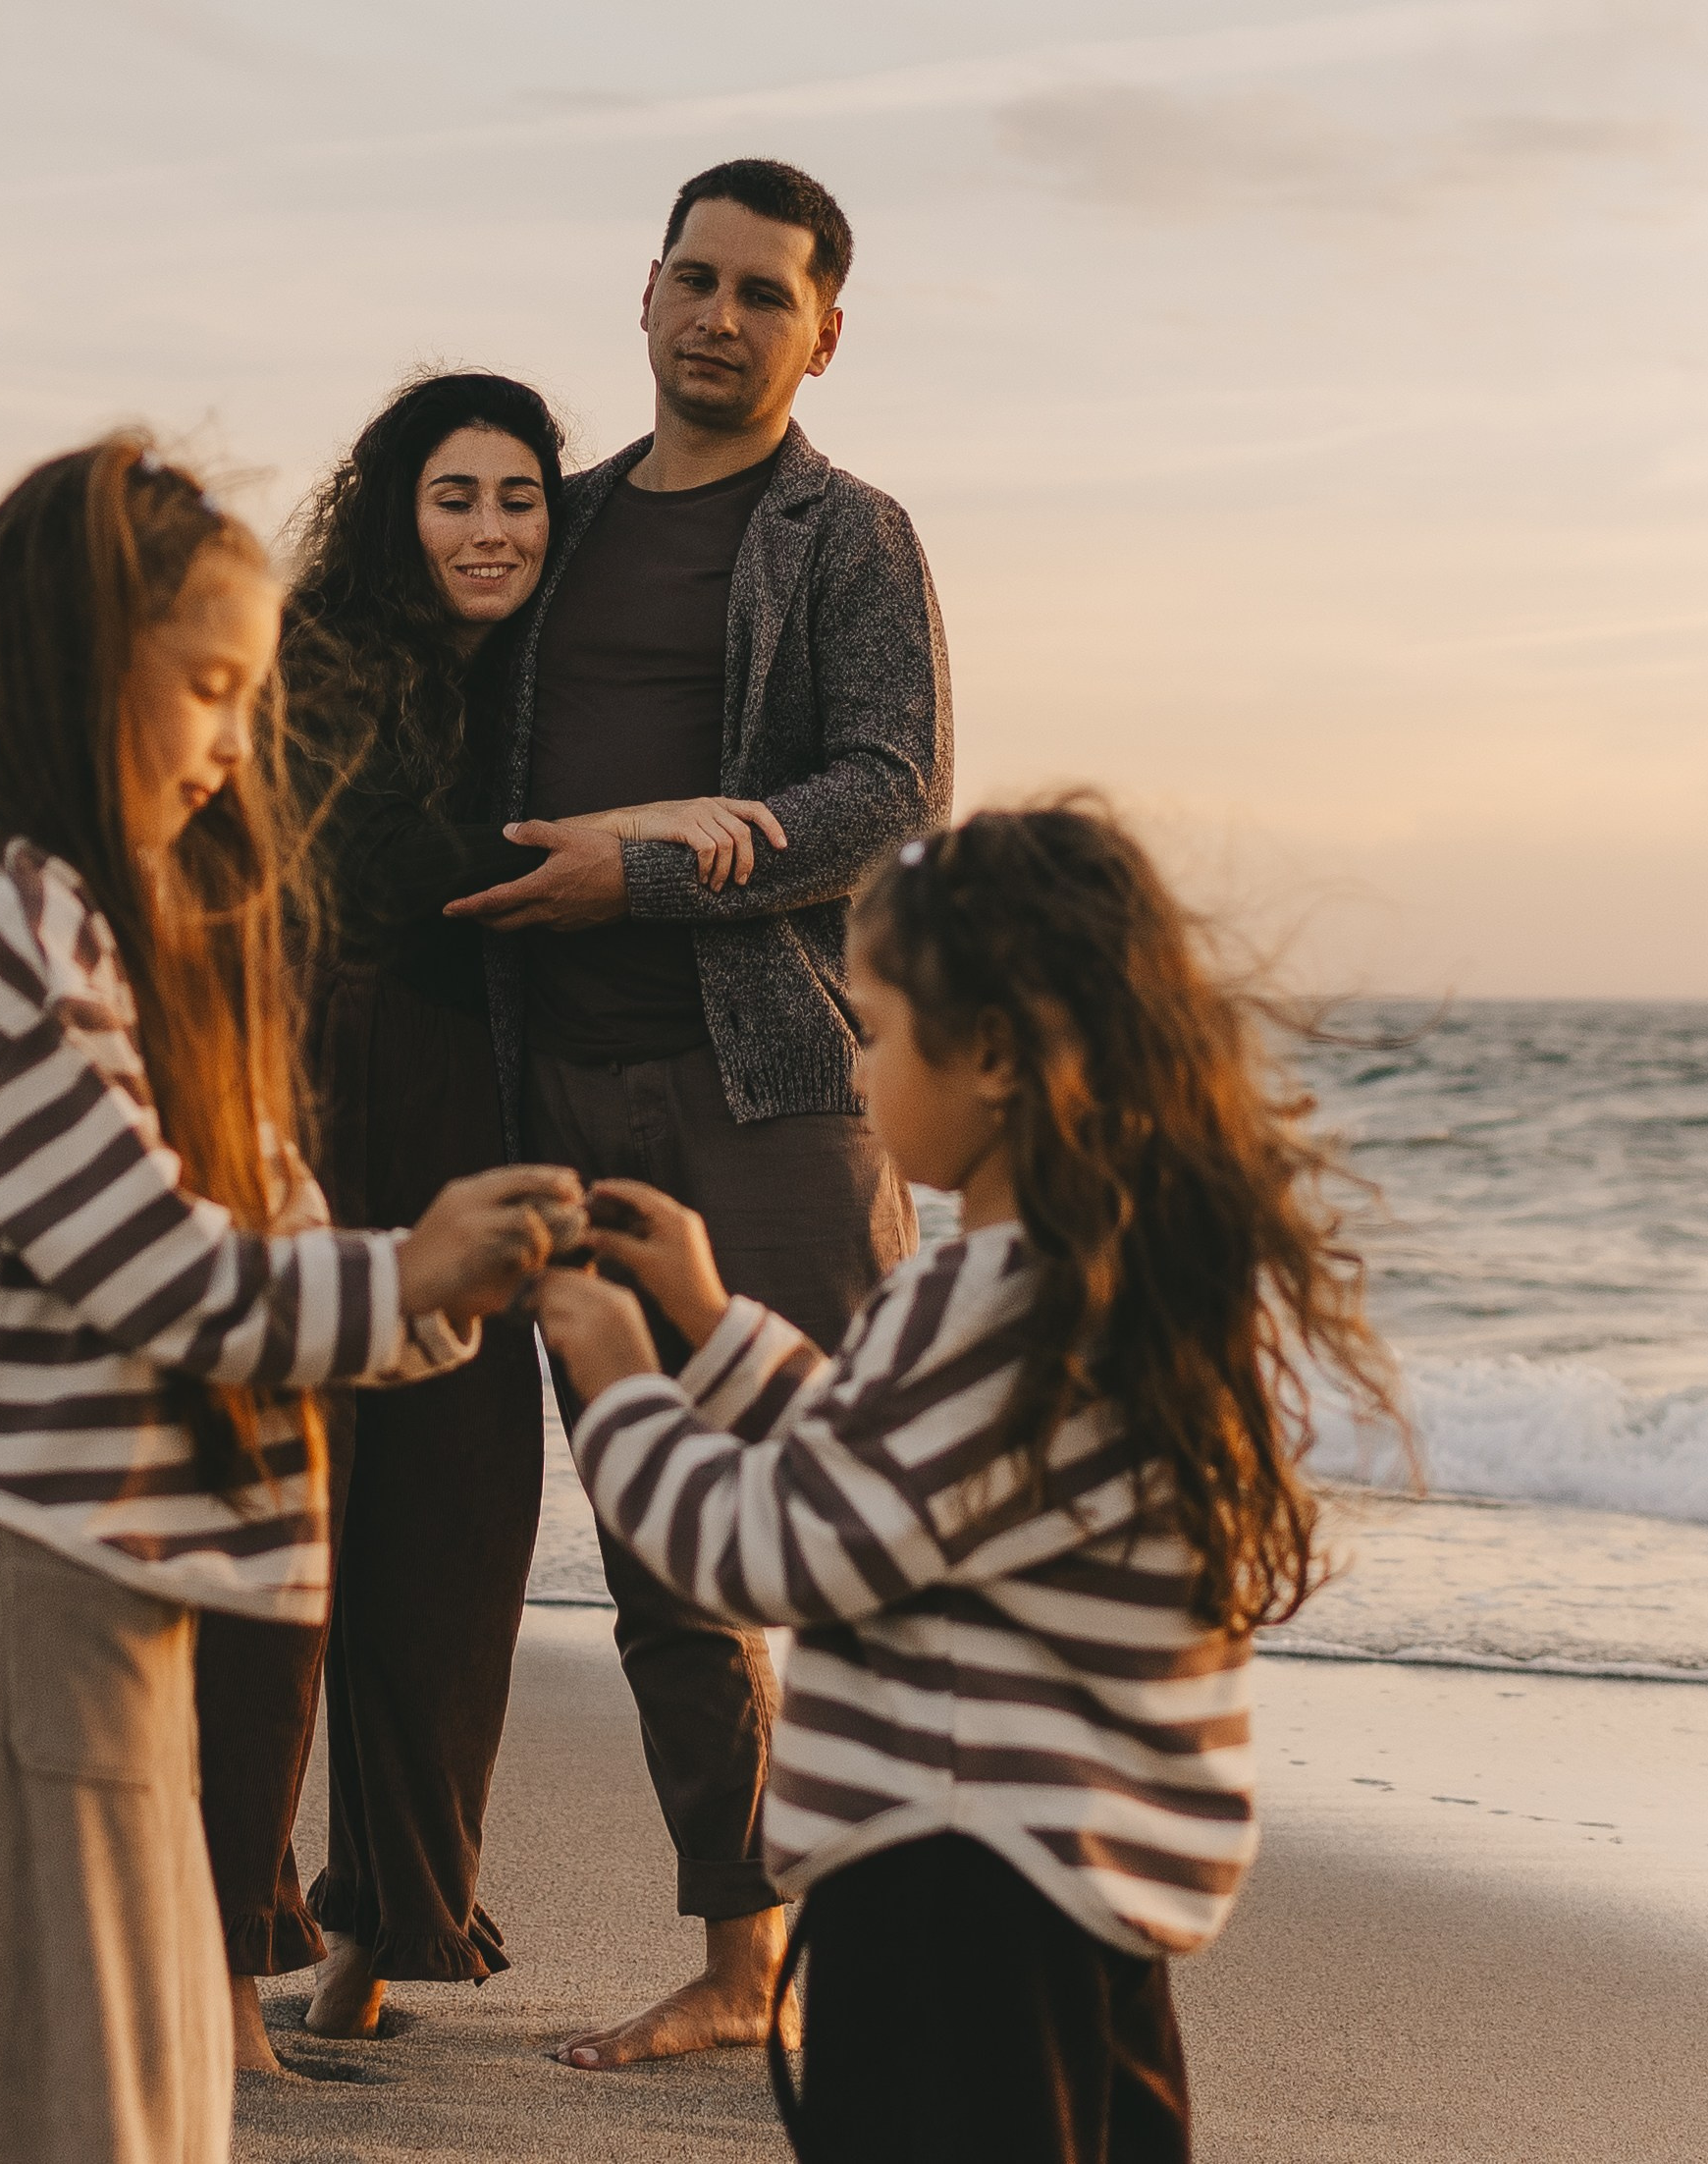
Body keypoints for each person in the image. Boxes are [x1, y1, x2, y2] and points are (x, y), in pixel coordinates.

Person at [0, 433, 582, 2164]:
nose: (240, 745)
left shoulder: (154, 932)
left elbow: (277, 1240)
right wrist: (412, 1269)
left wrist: (442, 1285)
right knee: (48, 2095)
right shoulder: (14, 916)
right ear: (75, 672)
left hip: (139, 1588)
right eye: (211, 691)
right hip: (27, 1580)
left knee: (151, 2096)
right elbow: (149, 1268)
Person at [538, 797, 1409, 2164]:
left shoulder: (991, 1308)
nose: (854, 1056)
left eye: (874, 1025)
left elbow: (784, 1552)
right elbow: (890, 1473)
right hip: (1075, 1915)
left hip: (952, 1910)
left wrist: (622, 1388)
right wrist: (711, 1329)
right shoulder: (1073, 1284)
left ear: (991, 1054)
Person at [193, 372, 785, 2073]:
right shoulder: (318, 658)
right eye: (455, 497)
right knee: (290, 1529)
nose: (491, 529)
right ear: (396, 507)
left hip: (474, 1098)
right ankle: (228, 1968)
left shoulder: (527, 677)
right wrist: (624, 838)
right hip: (323, 1095)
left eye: (520, 499)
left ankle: (383, 1928)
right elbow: (385, 872)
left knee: (452, 1527)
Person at [445, 156, 952, 2071]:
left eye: (763, 291)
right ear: (639, 296)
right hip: (550, 1089)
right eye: (691, 278)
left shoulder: (846, 534)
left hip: (771, 1092)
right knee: (662, 1552)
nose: (718, 316)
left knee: (844, 1529)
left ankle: (896, 1960)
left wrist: (641, 878)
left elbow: (880, 787)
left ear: (823, 327)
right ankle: (738, 1965)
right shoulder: (542, 534)